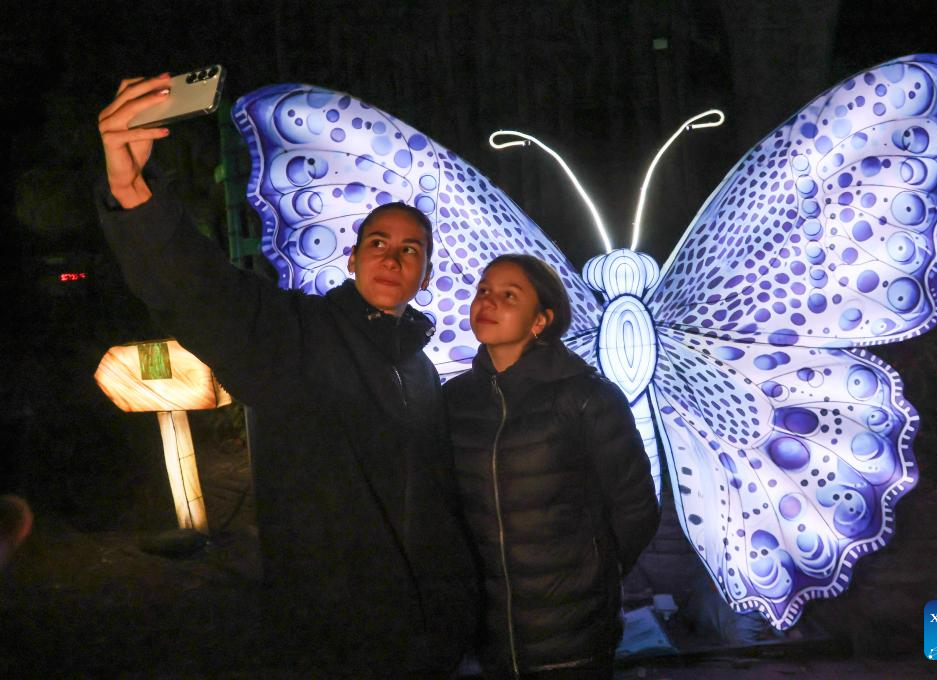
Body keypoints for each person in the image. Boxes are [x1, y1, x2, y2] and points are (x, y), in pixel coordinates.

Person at [95, 74, 476, 676]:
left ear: (424, 276)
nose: (392, 256)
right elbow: (205, 293)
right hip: (338, 638)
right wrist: (134, 192)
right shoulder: (299, 335)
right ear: (351, 260)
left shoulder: (421, 368)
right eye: (378, 241)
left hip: (424, 634)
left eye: (411, 249)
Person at [443, 254, 660, 678]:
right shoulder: (455, 401)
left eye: (509, 295)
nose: (488, 302)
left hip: (573, 641)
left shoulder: (585, 398)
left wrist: (595, 578)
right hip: (491, 640)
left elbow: (636, 509)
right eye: (483, 290)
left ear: (541, 320)